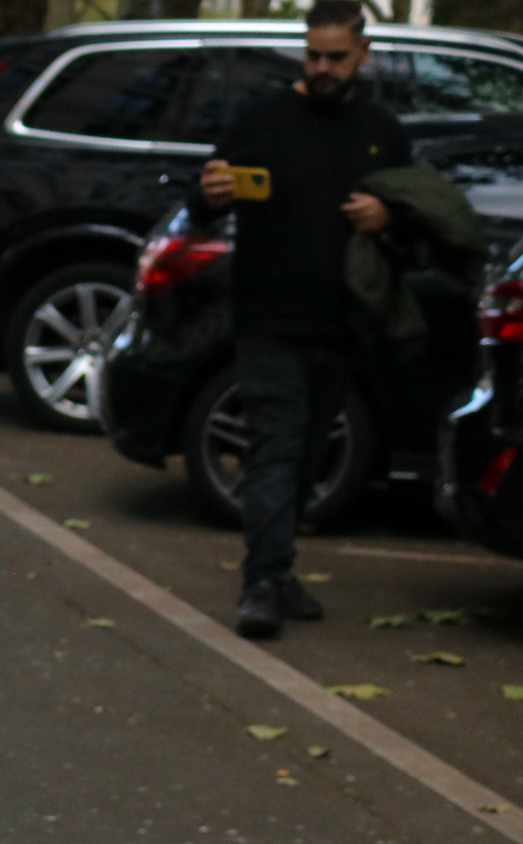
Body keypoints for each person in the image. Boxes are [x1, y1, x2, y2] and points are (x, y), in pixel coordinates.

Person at [196, 0, 410, 640]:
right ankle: (259, 582)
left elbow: (419, 227)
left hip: (342, 324)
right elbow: (202, 196)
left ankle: (279, 569)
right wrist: (208, 192)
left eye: (336, 58)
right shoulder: (262, 120)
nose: (322, 68)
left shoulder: (383, 131)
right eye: (313, 55)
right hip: (268, 319)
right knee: (276, 449)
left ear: (362, 54)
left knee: (309, 459)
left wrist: (388, 217)